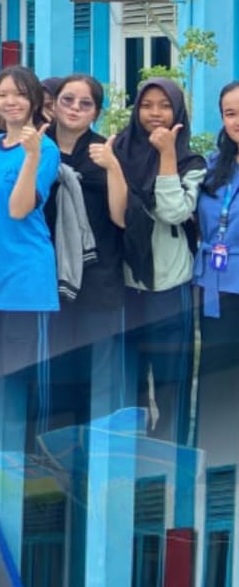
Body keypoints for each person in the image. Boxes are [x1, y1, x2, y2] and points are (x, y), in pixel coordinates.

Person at [96, 78, 205, 444]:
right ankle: (131, 457)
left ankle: (171, 457)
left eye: (164, 105)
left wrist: (168, 156)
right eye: (147, 105)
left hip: (170, 289)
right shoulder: (121, 152)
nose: (155, 113)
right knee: (128, 383)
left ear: (178, 111)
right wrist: (113, 167)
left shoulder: (191, 162)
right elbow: (120, 216)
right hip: (128, 285)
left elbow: (174, 211)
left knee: (172, 381)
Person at [0, 66, 60, 414]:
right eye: (2, 94)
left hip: (26, 277)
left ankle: (21, 459)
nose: (10, 101)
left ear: (34, 100)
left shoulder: (46, 150)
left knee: (19, 378)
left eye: (19, 94)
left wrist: (31, 156)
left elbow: (19, 209)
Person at [46, 74, 128, 377]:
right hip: (47, 276)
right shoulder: (38, 147)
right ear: (53, 104)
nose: (74, 108)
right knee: (53, 371)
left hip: (98, 273)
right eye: (67, 100)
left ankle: (96, 427)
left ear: (97, 113)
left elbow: (120, 217)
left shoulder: (105, 151)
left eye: (85, 103)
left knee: (98, 374)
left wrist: (113, 166)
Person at [195, 81, 239, 375]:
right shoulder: (211, 167)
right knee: (217, 374)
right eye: (230, 113)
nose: (237, 121)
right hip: (215, 281)